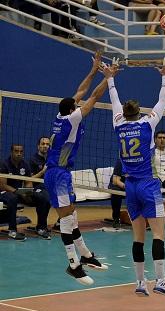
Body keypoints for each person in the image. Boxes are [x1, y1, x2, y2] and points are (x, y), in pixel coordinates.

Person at [104, 58, 165, 296]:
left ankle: (139, 283)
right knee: (159, 234)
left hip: (130, 187)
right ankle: (161, 281)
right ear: (139, 112)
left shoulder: (118, 125)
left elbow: (114, 101)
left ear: (124, 113)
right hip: (148, 185)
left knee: (138, 237)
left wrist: (110, 78)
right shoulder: (148, 124)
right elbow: (163, 101)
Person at [44, 51, 108, 285]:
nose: (78, 103)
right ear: (73, 110)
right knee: (66, 219)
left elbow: (80, 92)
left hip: (61, 173)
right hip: (56, 174)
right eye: (76, 106)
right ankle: (73, 264)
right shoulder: (72, 119)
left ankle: (87, 256)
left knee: (71, 216)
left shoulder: (61, 115)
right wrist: (108, 78)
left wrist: (93, 71)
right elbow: (93, 98)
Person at [0, 144, 51, 240]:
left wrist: (27, 192)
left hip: (19, 192)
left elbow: (28, 182)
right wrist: (18, 192)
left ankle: (41, 228)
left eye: (21, 151)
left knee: (43, 198)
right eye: (16, 151)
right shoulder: (4, 164)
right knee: (12, 198)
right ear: (11, 152)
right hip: (5, 193)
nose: (19, 154)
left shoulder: (24, 164)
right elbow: (3, 186)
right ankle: (12, 231)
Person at [109, 158, 125, 228]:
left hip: (130, 182)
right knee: (116, 192)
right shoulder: (120, 162)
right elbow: (115, 181)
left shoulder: (139, 161)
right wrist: (127, 187)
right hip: (117, 183)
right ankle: (116, 218)